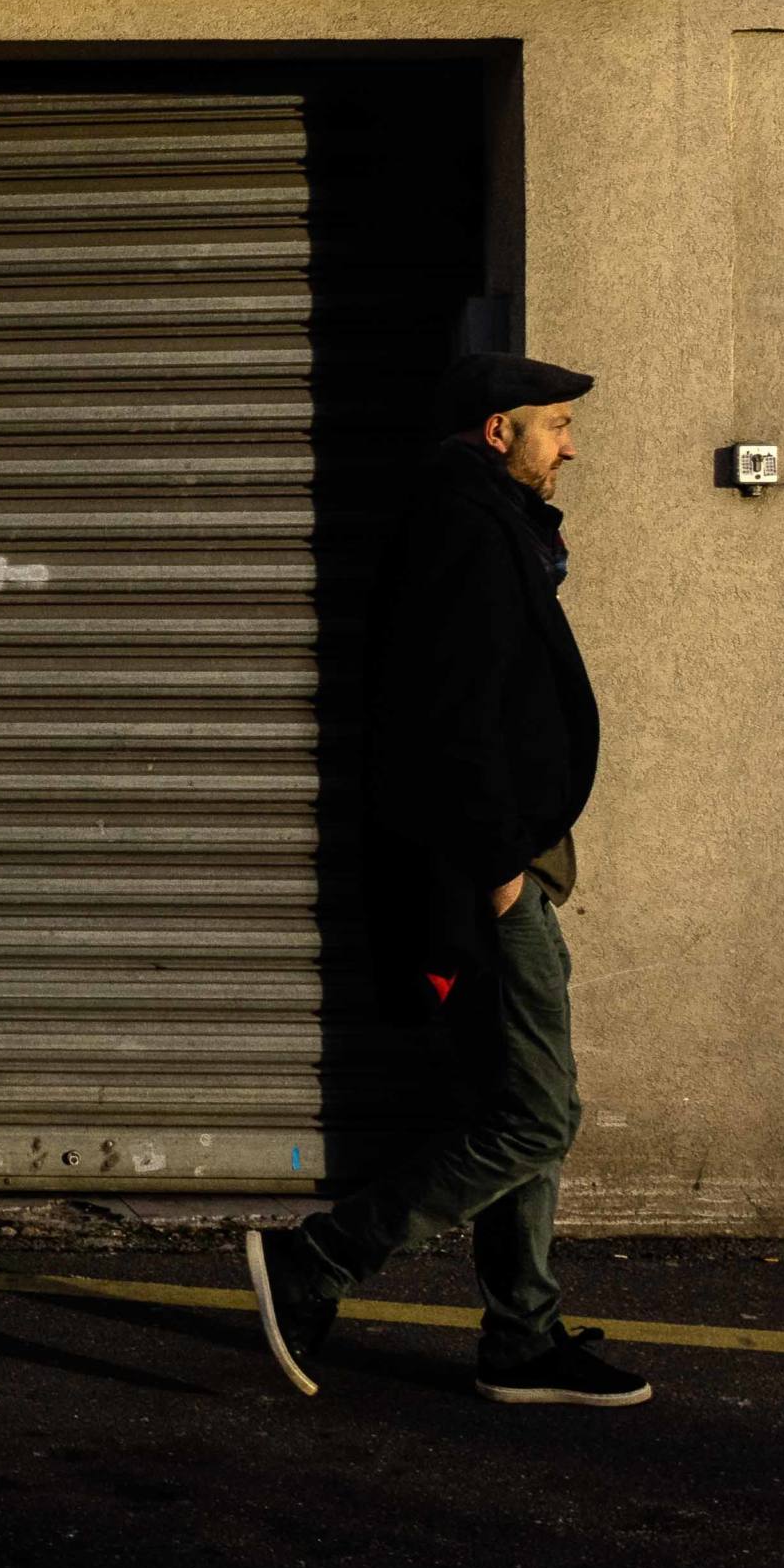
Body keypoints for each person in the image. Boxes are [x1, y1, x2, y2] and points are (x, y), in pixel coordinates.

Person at [246, 354, 653, 1407]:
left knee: (514, 1094)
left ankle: (521, 1334)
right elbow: (452, 714)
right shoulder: (469, 530)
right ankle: (319, 1260)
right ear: (496, 430)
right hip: (491, 864)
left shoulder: (479, 519)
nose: (569, 444)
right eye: (554, 424)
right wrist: (494, 866)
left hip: (507, 855)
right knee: (536, 1113)